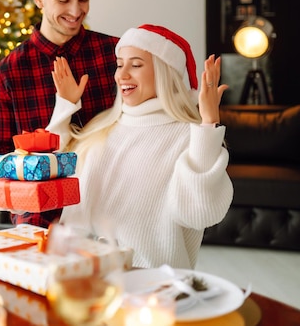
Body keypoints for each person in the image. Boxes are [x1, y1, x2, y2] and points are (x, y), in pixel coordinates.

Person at [46, 24, 234, 269]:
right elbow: (47, 172)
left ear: (165, 72)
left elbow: (199, 214)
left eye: (135, 65)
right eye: (119, 64)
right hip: (76, 273)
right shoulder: (101, 127)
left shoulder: (189, 136)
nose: (121, 75)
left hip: (148, 285)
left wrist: (208, 124)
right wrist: (65, 107)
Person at [0, 0, 120, 228]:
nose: (75, 10)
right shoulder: (8, 74)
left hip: (112, 208)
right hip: (41, 220)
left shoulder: (115, 54)